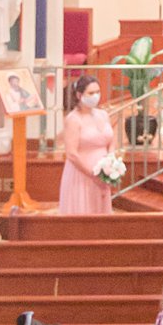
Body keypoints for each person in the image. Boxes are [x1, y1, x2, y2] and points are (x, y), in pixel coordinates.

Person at [59, 71, 121, 218]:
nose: (95, 96)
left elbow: (110, 140)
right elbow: (72, 154)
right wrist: (94, 175)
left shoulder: (103, 115)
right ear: (80, 96)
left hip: (102, 173)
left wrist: (111, 162)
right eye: (91, 92)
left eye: (98, 92)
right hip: (82, 175)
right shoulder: (73, 119)